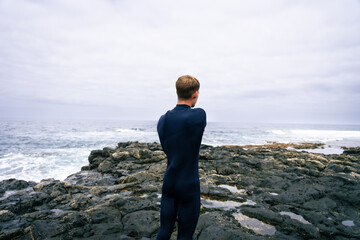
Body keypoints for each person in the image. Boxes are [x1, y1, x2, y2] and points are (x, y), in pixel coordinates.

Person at [156, 75, 207, 240]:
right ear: (195, 94)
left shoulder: (162, 120)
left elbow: (167, 149)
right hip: (188, 185)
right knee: (185, 236)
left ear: (177, 91)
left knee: (164, 232)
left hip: (169, 182)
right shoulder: (199, 115)